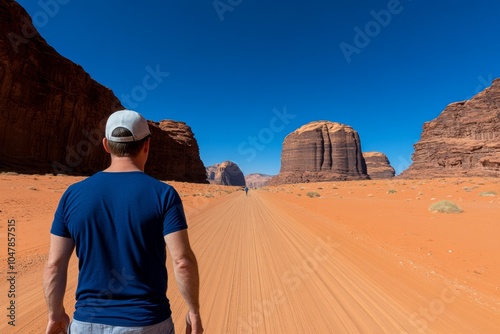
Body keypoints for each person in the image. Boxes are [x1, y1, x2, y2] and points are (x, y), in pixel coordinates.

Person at [43, 109, 203, 334]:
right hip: (148, 323)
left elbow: (54, 265)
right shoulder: (164, 195)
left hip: (87, 323)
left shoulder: (72, 195)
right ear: (147, 145)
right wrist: (193, 311)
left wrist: (55, 314)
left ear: (106, 145)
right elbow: (182, 261)